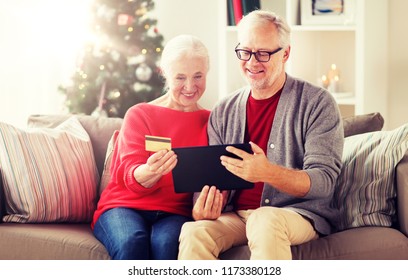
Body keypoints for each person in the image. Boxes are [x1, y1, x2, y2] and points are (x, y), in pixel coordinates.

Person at [178, 10, 344, 260]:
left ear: (285, 53)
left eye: (263, 54)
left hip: (296, 215)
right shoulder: (224, 110)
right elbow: (212, 178)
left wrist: (266, 172)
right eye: (245, 52)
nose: (252, 63)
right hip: (237, 216)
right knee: (194, 232)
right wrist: (204, 206)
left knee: (265, 220)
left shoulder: (317, 103)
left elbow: (324, 181)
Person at [92, 34, 211, 260]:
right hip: (123, 206)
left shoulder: (212, 121)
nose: (189, 86)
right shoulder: (140, 114)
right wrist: (150, 171)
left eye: (198, 76)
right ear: (164, 73)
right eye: (180, 77)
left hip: (175, 211)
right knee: (132, 242)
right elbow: (128, 172)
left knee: (166, 245)